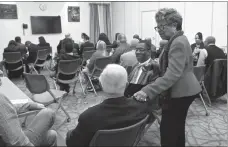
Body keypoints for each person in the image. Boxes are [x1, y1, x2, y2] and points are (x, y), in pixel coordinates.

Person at [133, 8, 202, 147]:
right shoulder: (177, 39)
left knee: (168, 131)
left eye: (162, 26)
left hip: (181, 92)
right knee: (176, 128)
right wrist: (154, 66)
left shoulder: (177, 42)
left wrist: (147, 90)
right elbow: (174, 68)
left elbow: (173, 74)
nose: (158, 30)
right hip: (184, 89)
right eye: (157, 26)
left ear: (174, 25)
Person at [66, 64, 150, 146]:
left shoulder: (89, 116)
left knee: (70, 134)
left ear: (101, 85)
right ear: (127, 84)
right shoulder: (141, 107)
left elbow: (73, 143)